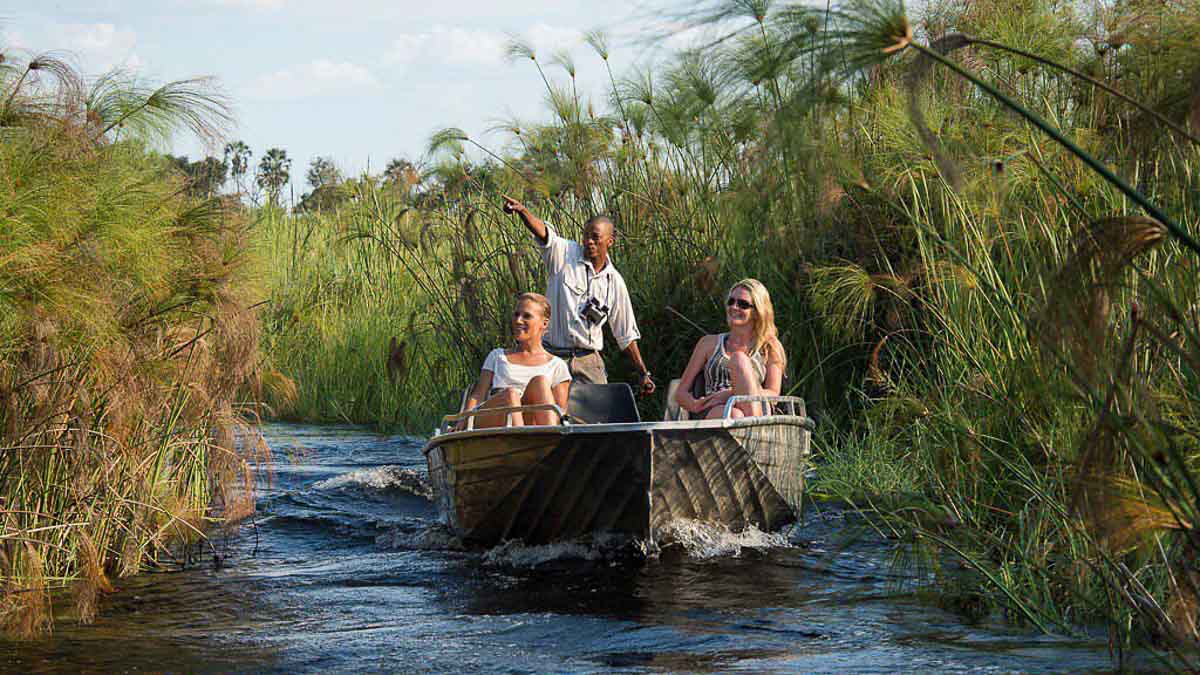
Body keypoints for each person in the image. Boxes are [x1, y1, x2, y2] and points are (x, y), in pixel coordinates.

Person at [502, 196, 656, 396]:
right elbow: (543, 233)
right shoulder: (564, 254)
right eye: (586, 236)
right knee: (549, 415)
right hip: (552, 356)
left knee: (598, 417)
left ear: (610, 241)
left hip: (588, 361)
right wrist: (523, 212)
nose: (589, 242)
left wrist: (643, 373)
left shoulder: (614, 282)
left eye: (595, 237)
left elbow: (626, 334)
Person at [674, 279, 786, 419]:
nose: (734, 307)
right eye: (731, 301)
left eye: (743, 304)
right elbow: (681, 393)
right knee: (734, 415)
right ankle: (752, 431)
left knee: (739, 360)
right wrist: (697, 405)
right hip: (717, 410)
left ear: (757, 312)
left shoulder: (770, 346)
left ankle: (752, 428)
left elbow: (774, 394)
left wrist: (732, 394)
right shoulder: (708, 343)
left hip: (758, 409)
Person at [460, 293, 571, 428]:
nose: (518, 320)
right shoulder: (497, 356)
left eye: (527, 316)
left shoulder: (557, 365)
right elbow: (478, 395)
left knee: (540, 382)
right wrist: (464, 420)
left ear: (544, 323)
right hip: (495, 419)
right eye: (516, 314)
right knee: (511, 395)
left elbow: (560, 411)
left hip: (532, 422)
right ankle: (519, 438)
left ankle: (548, 438)